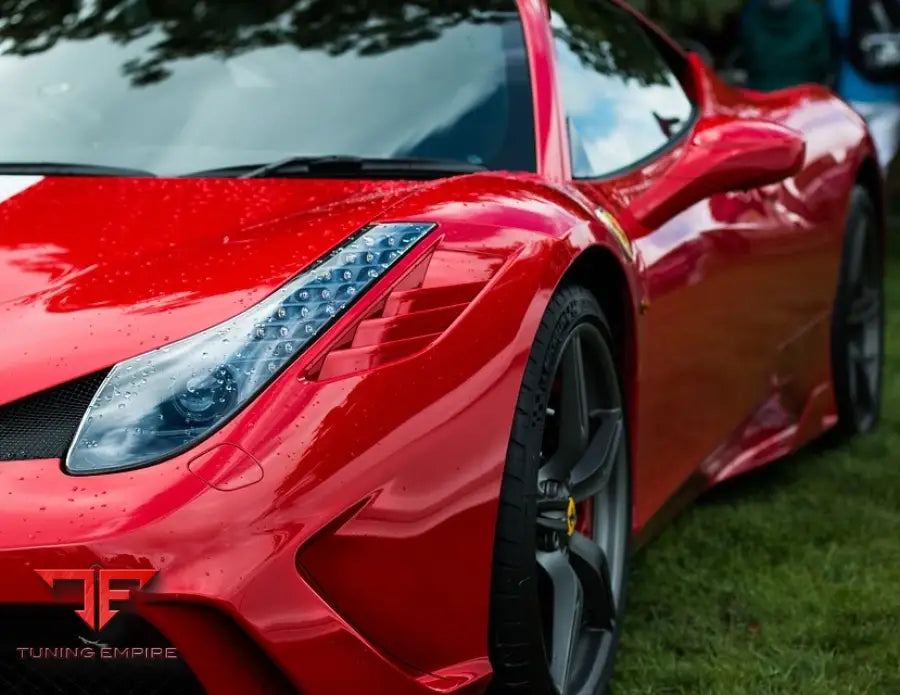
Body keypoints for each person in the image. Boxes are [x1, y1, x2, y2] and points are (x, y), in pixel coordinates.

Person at [827, 0, 900, 174]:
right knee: (879, 167)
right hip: (890, 96)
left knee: (848, 165)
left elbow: (833, 37)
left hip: (851, 94)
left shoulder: (839, 4)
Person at [740, 0, 833, 91]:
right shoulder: (814, 14)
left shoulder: (751, 13)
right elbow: (825, 61)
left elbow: (745, 56)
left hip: (759, 94)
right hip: (804, 95)